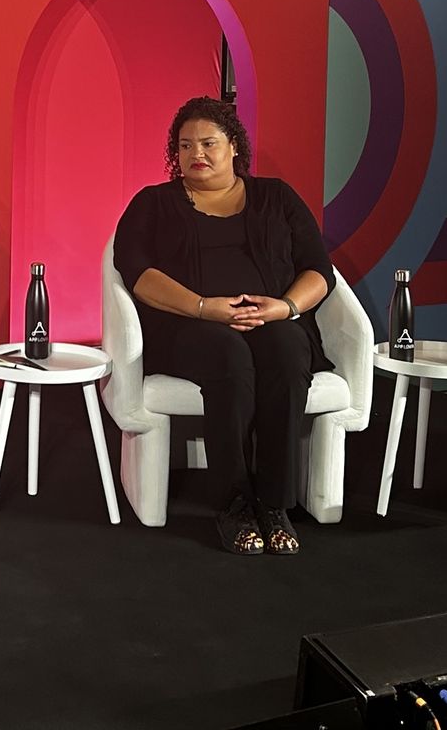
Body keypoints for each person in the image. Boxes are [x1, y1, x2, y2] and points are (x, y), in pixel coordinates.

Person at [113, 96, 335, 556]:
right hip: (188, 326)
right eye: (185, 145)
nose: (196, 153)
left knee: (288, 350)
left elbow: (318, 269)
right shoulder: (153, 203)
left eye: (208, 143)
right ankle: (233, 503)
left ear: (234, 145)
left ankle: (273, 503)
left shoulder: (277, 197)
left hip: (270, 319)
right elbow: (135, 272)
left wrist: (284, 308)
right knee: (228, 354)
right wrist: (203, 307)